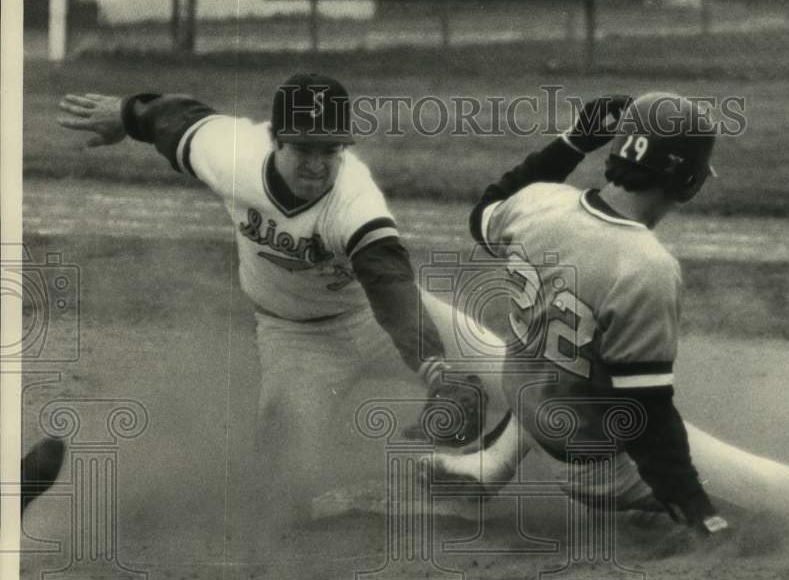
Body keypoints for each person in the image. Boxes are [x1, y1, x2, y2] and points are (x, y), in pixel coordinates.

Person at [55, 73, 507, 541]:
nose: (316, 164)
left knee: (529, 383)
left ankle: (517, 469)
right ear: (275, 141)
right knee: (277, 493)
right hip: (296, 341)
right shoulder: (235, 158)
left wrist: (438, 370)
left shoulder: (354, 201)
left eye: (328, 151)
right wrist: (128, 114)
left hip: (374, 318)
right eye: (303, 149)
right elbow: (176, 119)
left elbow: (390, 287)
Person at [432, 92, 730, 537]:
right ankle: (665, 520)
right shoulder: (648, 266)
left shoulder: (538, 203)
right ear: (689, 182)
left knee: (561, 362)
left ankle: (492, 463)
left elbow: (488, 208)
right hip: (596, 465)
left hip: (530, 406)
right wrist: (695, 505)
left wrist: (574, 141)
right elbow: (646, 416)